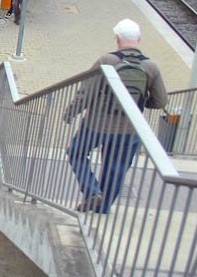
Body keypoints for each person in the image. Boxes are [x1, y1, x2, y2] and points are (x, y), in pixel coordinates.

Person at [63, 19, 167, 214]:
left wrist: (71, 111)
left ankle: (92, 191)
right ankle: (102, 208)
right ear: (139, 39)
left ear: (117, 39)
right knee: (116, 168)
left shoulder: (107, 61)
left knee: (76, 153)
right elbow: (161, 101)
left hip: (96, 125)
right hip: (130, 129)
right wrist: (141, 105)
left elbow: (87, 93)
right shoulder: (151, 67)